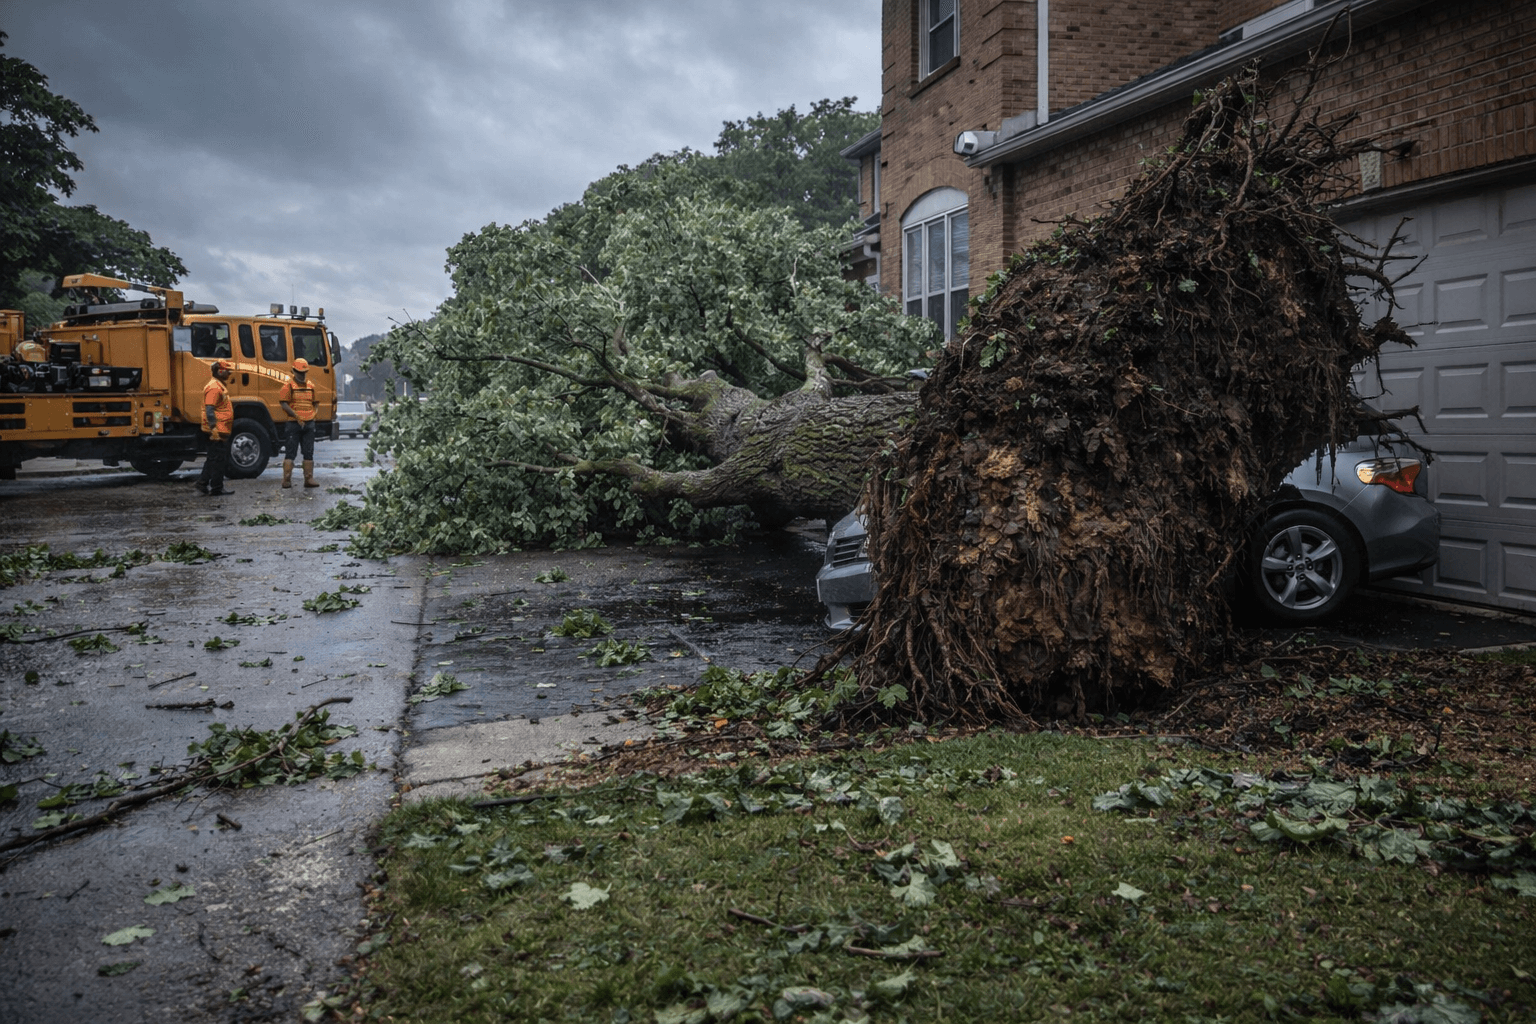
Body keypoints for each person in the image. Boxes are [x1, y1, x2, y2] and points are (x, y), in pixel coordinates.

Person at [277, 357, 320, 488]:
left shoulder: (311, 386)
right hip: (293, 423)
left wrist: (313, 415)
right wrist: (296, 417)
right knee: (290, 452)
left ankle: (309, 478)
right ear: (293, 371)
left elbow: (316, 403)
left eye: (304, 372)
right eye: (299, 372)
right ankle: (287, 479)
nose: (302, 375)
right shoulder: (288, 386)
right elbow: (283, 403)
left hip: (309, 423)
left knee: (308, 451)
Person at [195, 359, 234, 495]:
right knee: (217, 459)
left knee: (215, 459)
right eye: (227, 371)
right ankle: (211, 486)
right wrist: (214, 429)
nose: (229, 373)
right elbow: (209, 410)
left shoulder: (218, 385)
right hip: (217, 430)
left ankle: (209, 486)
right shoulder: (214, 387)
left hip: (220, 429)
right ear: (220, 371)